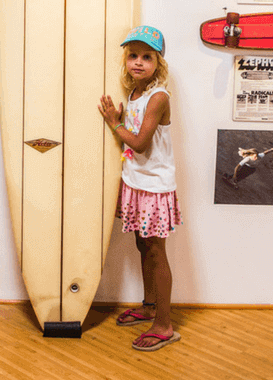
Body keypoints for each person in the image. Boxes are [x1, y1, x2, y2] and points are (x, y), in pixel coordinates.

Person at [98, 25, 182, 352]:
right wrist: (124, 119)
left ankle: (164, 325)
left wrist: (114, 122)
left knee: (156, 253)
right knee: (141, 245)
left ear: (158, 63)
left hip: (154, 187)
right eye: (133, 55)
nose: (138, 62)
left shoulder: (158, 97)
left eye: (147, 57)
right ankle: (149, 306)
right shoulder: (134, 94)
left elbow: (142, 143)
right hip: (136, 181)